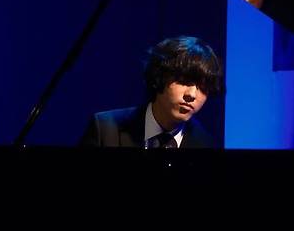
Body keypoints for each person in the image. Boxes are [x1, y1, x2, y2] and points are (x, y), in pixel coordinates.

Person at [80, 36, 223, 148]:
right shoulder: (105, 129)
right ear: (159, 76)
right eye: (184, 81)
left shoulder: (207, 144)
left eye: (203, 88)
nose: (192, 95)